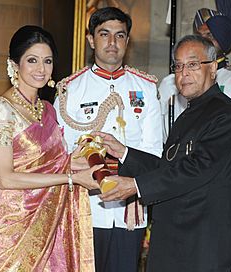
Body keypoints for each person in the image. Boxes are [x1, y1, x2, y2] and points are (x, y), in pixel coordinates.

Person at [93, 34, 231, 272]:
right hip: (180, 242)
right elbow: (170, 168)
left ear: (212, 68)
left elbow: (196, 169)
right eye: (178, 66)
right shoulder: (188, 115)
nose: (183, 73)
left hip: (207, 247)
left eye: (192, 64)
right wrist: (126, 153)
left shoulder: (225, 116)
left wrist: (137, 185)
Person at [0, 25, 101, 272]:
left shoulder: (48, 110)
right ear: (14, 64)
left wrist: (93, 157)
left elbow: (55, 163)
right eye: (32, 60)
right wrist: (72, 179)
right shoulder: (1, 108)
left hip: (44, 223)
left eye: (47, 61)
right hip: (6, 229)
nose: (41, 69)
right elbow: (5, 178)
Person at [53, 7, 162, 272]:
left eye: (120, 35)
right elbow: (60, 154)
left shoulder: (146, 89)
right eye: (104, 34)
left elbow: (154, 155)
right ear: (91, 40)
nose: (112, 43)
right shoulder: (71, 89)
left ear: (127, 41)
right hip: (86, 207)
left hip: (129, 209)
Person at [159, 8, 231, 208]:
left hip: (222, 175)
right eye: (201, 35)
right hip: (180, 169)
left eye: (210, 35)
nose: (204, 40)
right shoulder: (173, 82)